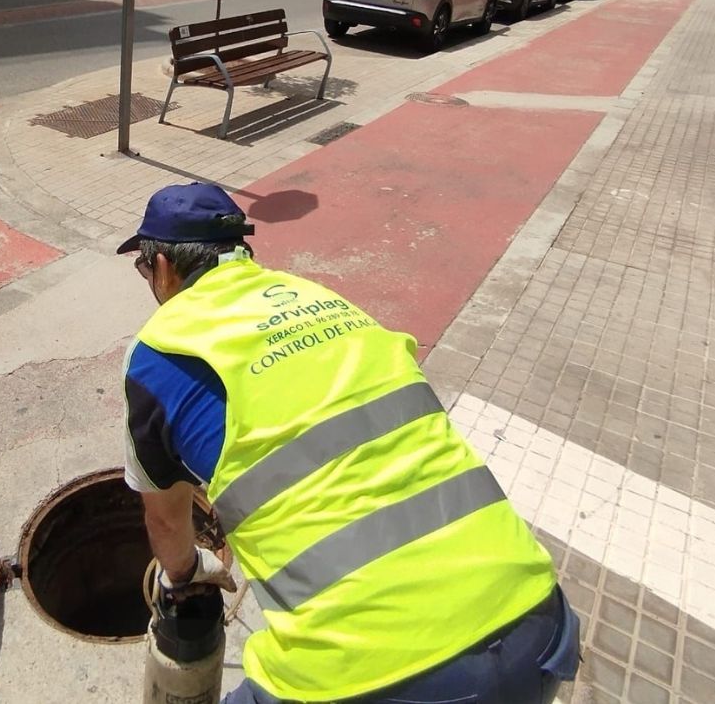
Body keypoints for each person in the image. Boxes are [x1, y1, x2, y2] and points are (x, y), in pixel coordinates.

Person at [119, 182, 580, 704]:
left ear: (161, 268)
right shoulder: (326, 300)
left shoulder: (158, 354)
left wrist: (185, 573)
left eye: (143, 269)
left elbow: (164, 519)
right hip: (538, 624)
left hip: (373, 676)